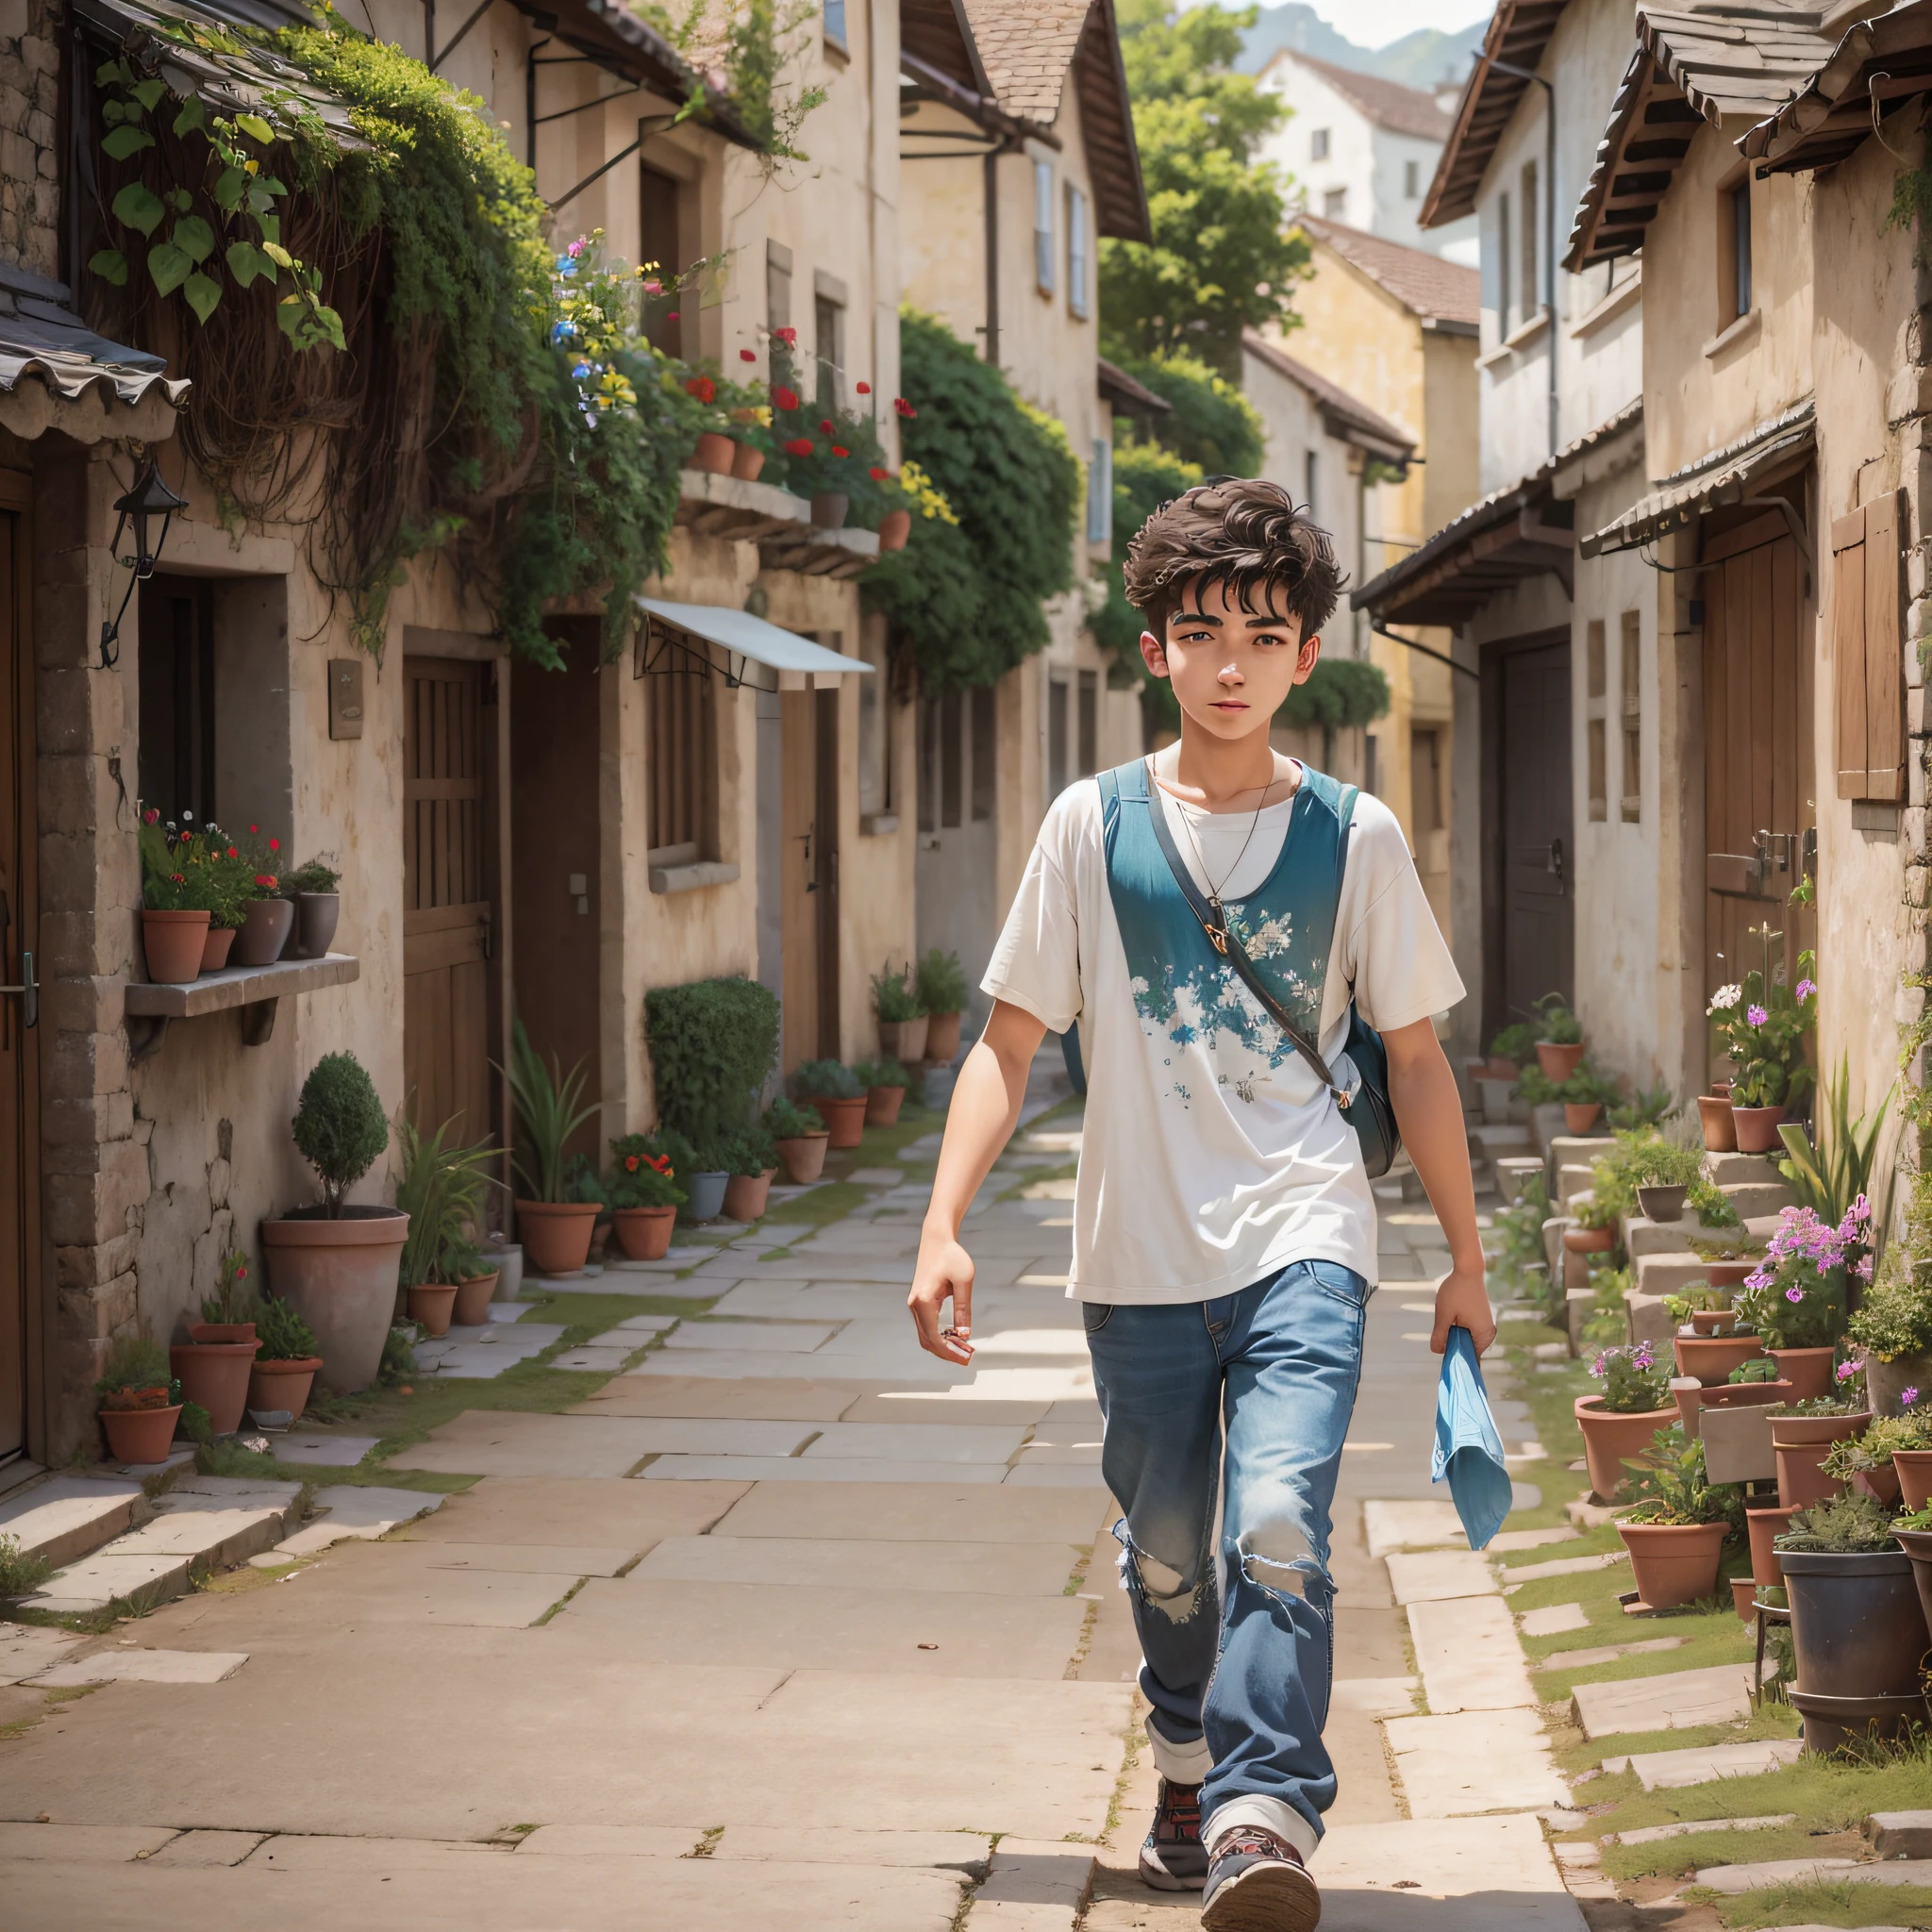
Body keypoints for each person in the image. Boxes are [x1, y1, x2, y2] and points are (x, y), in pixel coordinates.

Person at [907, 480, 1493, 1932]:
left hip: (1307, 1234)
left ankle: (1258, 1814)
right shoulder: (1089, 829)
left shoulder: (1353, 837)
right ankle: (1185, 1751)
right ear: (1155, 648)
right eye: (1201, 631)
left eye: (1264, 634)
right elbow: (1009, 1043)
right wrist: (941, 1223)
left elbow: (1414, 1061)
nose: (1232, 663)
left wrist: (1467, 1265)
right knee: (1172, 1554)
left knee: (1279, 1520)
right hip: (1139, 1257)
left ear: (1306, 656)